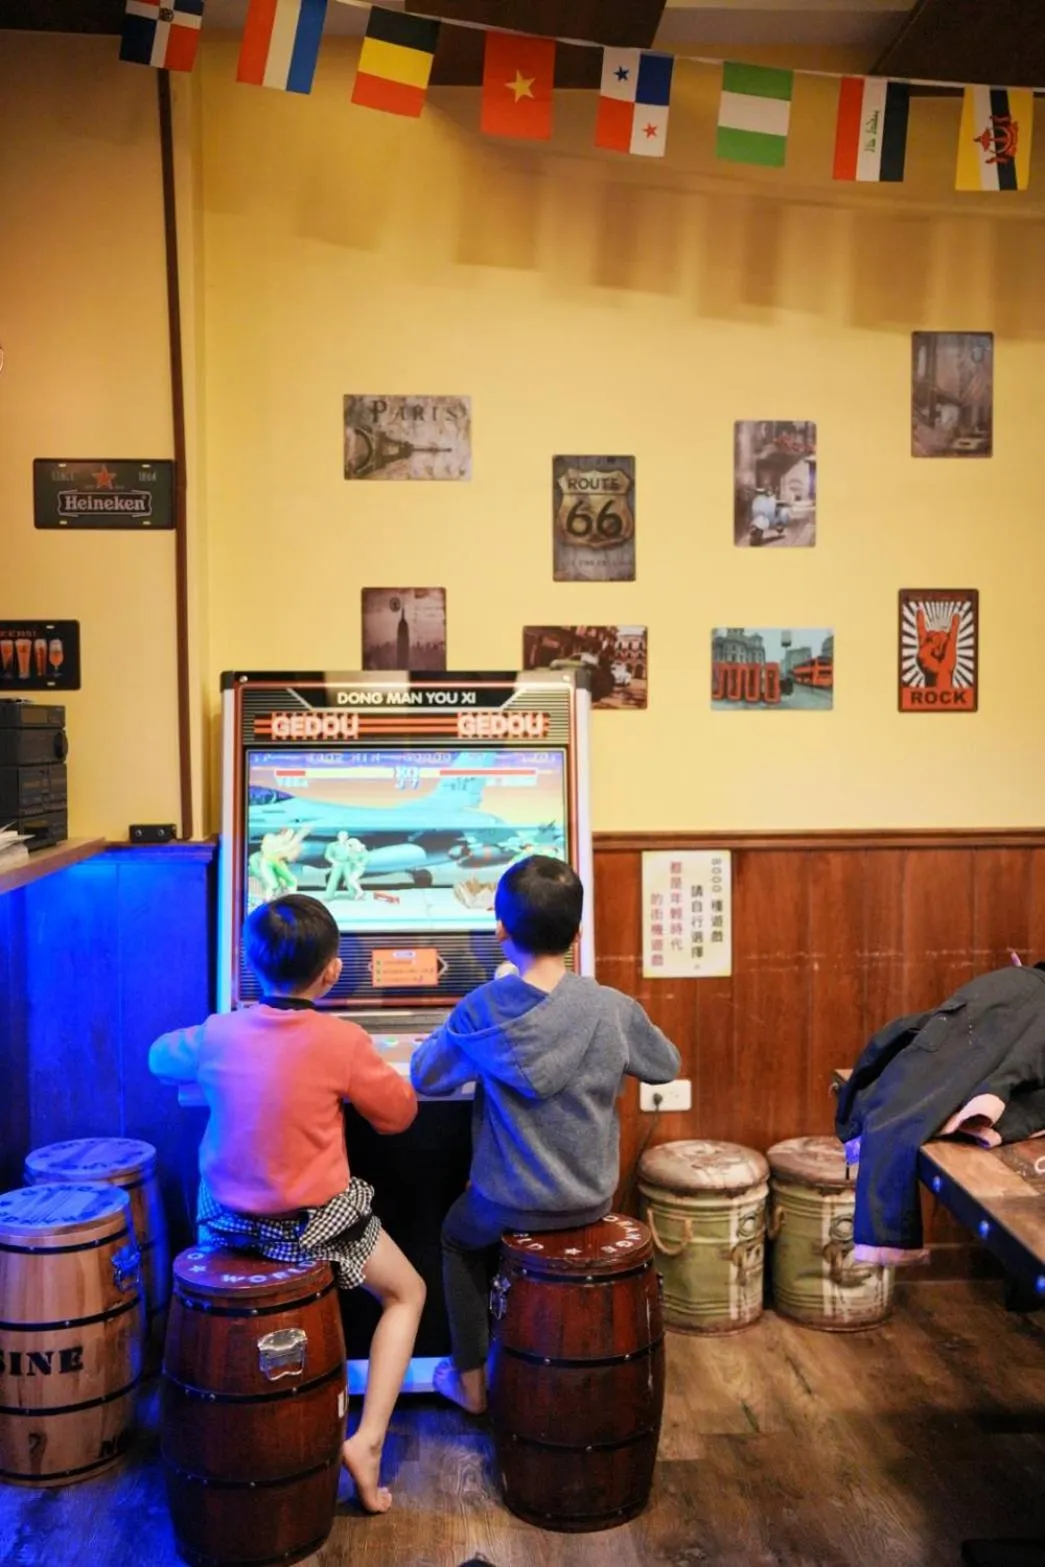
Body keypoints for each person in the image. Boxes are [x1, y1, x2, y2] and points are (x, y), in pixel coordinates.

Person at [149, 894, 424, 1513]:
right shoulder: (343, 1040)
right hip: (312, 1226)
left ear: (249, 965)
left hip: (225, 1224)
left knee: (212, 1190)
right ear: (332, 971)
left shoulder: (219, 1032)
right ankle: (369, 1442)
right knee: (407, 1293)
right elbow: (399, 1115)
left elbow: (158, 1057)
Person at [410, 855, 681, 1415]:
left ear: (500, 928)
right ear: (577, 934)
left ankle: (471, 1381)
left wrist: (469, 1021)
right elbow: (666, 1064)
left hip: (502, 1203)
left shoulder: (482, 1008)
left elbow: (425, 1076)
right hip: (590, 1199)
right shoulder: (610, 1007)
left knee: (457, 1240)